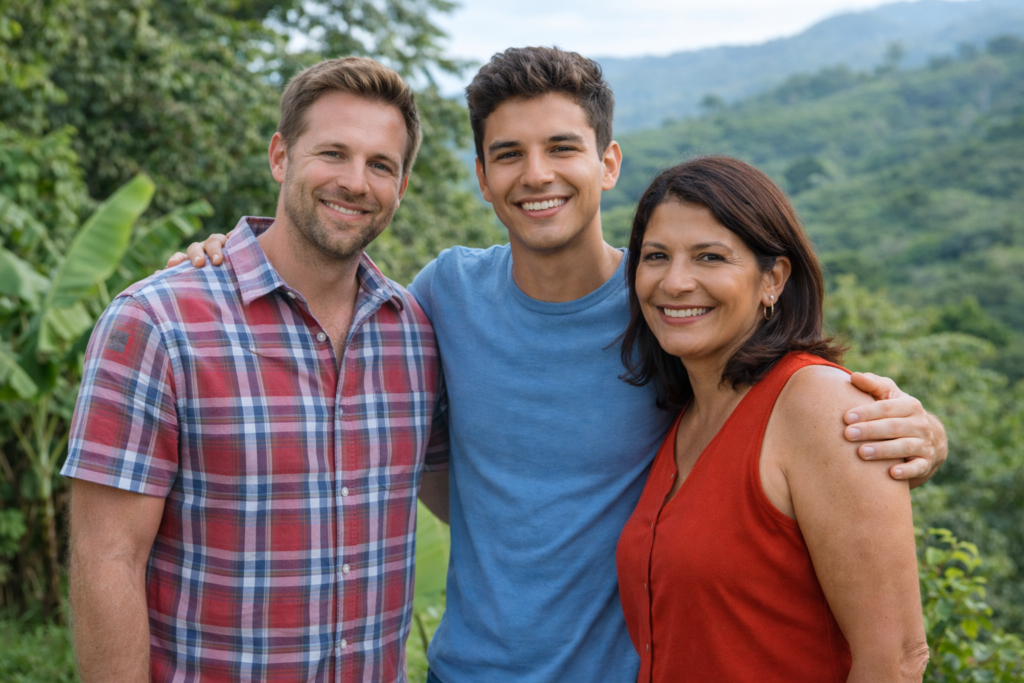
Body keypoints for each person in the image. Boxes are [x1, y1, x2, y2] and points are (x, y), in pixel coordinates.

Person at [173, 47, 947, 683]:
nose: (537, 174)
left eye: (563, 148)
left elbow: (779, 397)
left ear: (607, 162)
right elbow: (338, 325)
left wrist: (916, 426)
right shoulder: (444, 293)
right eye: (509, 154)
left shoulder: (668, 309)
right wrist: (221, 259)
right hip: (463, 671)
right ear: (482, 177)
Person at [62, 57, 450, 682]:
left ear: (401, 186)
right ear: (280, 156)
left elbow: (474, 497)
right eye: (333, 153)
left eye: (381, 165)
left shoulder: (416, 335)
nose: (355, 181)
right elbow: (107, 557)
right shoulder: (158, 322)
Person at [615, 156, 929, 682]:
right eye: (656, 256)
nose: (675, 281)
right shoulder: (684, 418)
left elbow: (895, 660)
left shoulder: (818, 404)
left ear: (773, 279)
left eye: (710, 257)